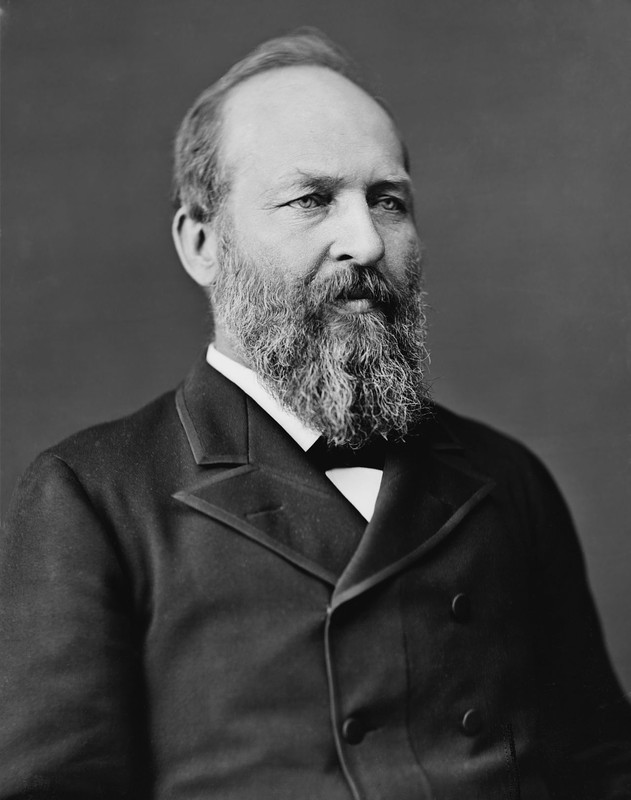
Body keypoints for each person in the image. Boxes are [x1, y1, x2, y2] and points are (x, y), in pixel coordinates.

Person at [1, 28, 630, 800]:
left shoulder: (507, 479)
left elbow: (601, 770)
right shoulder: (92, 494)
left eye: (388, 201)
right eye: (311, 200)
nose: (364, 241)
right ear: (202, 242)